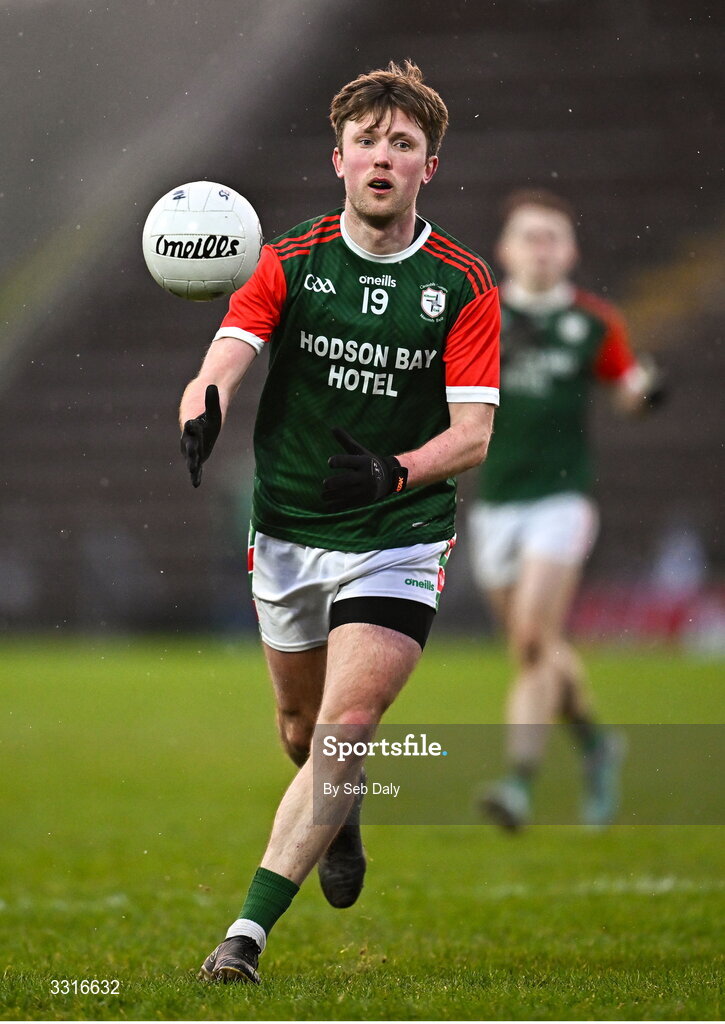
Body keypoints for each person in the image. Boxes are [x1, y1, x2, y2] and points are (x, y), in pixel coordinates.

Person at [178, 61, 500, 984]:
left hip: (399, 531)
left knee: (347, 725)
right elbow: (223, 358)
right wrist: (203, 408)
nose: (383, 158)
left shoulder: (463, 284)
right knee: (297, 727)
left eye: (404, 145)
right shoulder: (287, 258)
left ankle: (244, 937)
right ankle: (342, 811)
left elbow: (473, 434)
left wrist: (394, 471)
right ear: (339, 159)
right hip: (285, 527)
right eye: (369, 141)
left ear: (428, 168)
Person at [469, 188, 663, 832]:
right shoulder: (478, 315)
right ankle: (597, 745)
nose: (541, 249)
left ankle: (518, 784)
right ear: (505, 250)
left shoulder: (594, 322)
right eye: (529, 237)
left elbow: (628, 385)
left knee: (531, 639)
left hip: (561, 497)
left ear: (571, 250)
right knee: (539, 650)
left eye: (552, 237)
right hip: (494, 502)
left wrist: (645, 393)